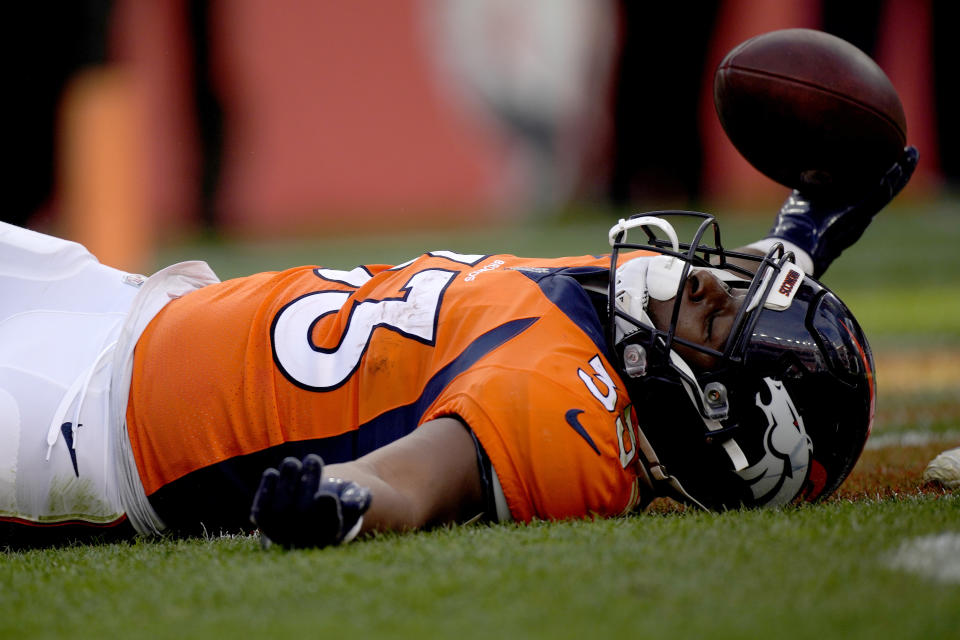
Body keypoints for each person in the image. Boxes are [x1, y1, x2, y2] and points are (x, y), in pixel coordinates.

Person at [0, 148, 917, 549]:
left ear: (703, 405)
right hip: (119, 301)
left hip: (79, 426)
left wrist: (345, 499)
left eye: (720, 317)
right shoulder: (633, 318)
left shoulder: (577, 413)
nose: (711, 283)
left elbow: (419, 475)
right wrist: (807, 231)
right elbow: (755, 324)